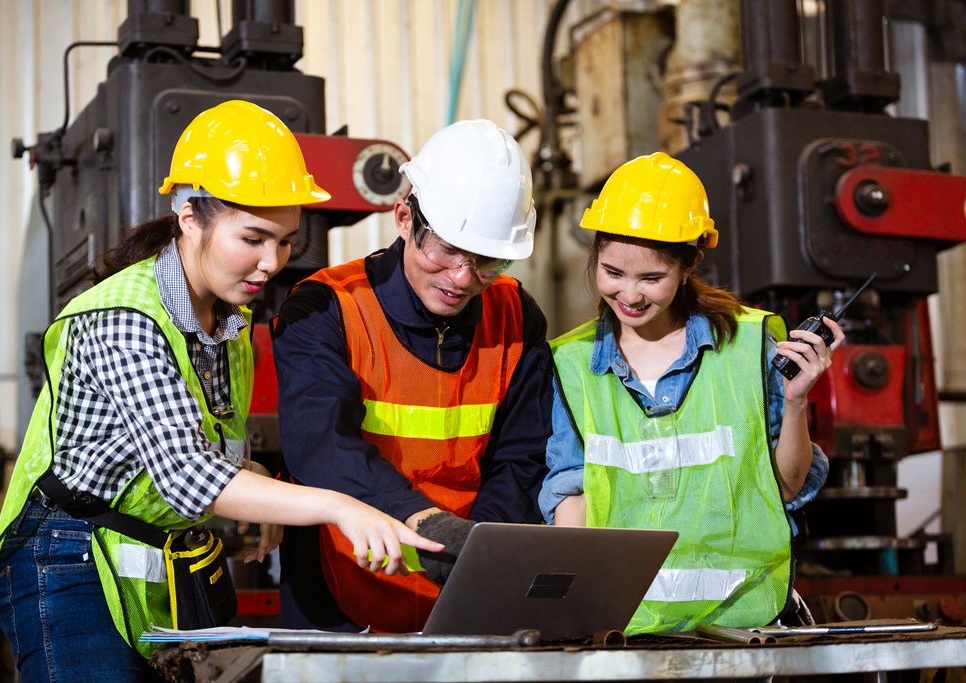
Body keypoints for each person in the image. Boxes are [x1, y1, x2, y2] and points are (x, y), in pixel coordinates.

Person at [0, 100, 441, 682]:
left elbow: (212, 448)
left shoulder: (229, 324)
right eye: (252, 237)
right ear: (190, 216)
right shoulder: (124, 317)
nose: (271, 262)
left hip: (156, 554)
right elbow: (186, 474)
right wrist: (337, 506)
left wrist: (262, 487)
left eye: (286, 241)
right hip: (67, 556)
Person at [272, 119, 553, 633]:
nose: (463, 278)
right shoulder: (327, 307)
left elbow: (522, 455)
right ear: (405, 217)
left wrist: (480, 546)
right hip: (344, 593)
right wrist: (429, 524)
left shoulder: (516, 315)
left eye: (488, 259)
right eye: (445, 249)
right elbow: (322, 448)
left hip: (469, 587)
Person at [541, 152, 838, 634]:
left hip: (743, 627)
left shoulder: (747, 345)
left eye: (651, 278)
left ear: (690, 264)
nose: (630, 295)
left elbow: (783, 486)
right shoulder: (569, 363)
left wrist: (797, 398)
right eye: (613, 273)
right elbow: (571, 497)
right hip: (621, 632)